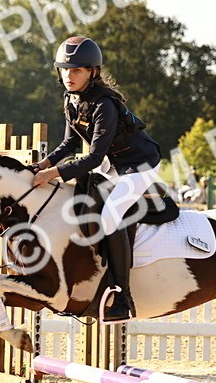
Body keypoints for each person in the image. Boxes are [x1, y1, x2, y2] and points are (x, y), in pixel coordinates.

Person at [31, 36, 162, 323]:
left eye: (76, 70)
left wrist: (50, 174)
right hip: (112, 163)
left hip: (137, 165)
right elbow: (68, 146)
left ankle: (122, 296)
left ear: (93, 72)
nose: (69, 75)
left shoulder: (105, 105)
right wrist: (41, 165)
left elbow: (91, 158)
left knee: (110, 216)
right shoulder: (71, 100)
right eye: (65, 69)